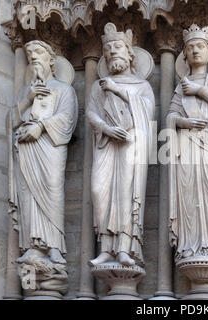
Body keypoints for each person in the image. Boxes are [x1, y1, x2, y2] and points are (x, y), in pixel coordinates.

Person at [87, 23, 155, 267]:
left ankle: (125, 247)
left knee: (126, 193)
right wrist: (106, 129)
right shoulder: (98, 85)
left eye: (118, 47)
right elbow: (92, 113)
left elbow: (148, 112)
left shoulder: (141, 85)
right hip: (106, 144)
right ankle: (106, 247)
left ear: (129, 53)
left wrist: (118, 91)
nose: (113, 52)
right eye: (108, 50)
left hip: (131, 144)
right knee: (99, 191)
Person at [167, 24, 208, 263]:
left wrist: (200, 91)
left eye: (200, 46)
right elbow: (170, 117)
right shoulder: (180, 86)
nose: (195, 51)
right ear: (184, 54)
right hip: (187, 150)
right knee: (188, 197)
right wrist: (184, 122)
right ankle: (189, 245)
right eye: (190, 47)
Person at [10, 40, 78, 265]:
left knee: (52, 189)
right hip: (27, 150)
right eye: (30, 55)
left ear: (51, 59)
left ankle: (54, 246)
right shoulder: (25, 92)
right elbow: (10, 121)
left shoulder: (64, 89)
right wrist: (27, 99)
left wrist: (41, 127)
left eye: (39, 53)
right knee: (28, 194)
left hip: (50, 148)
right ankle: (33, 245)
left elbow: (68, 118)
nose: (34, 58)